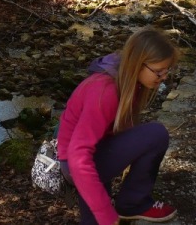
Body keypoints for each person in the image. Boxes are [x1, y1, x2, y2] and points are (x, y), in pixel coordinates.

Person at [57, 27, 179, 225]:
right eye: (159, 71)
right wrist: (106, 215)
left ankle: (131, 204)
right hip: (75, 163)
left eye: (167, 70)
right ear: (138, 63)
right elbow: (79, 157)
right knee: (155, 134)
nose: (164, 77)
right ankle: (132, 204)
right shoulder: (105, 92)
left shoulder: (125, 77)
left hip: (95, 150)